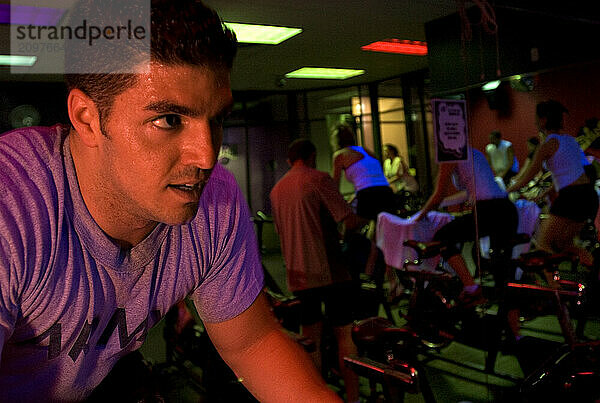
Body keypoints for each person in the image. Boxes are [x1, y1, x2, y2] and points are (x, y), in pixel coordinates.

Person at [0, 1, 340, 402]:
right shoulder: (13, 201)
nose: (207, 157)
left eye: (216, 119)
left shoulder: (215, 201)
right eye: (169, 120)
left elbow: (252, 344)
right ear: (88, 118)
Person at [270, 139, 368, 403]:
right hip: (330, 270)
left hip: (298, 273)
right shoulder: (319, 178)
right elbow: (346, 220)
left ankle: (315, 396)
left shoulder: (277, 190)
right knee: (344, 335)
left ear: (291, 160)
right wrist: (372, 219)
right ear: (312, 156)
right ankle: (353, 397)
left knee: (309, 337)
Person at [415, 148, 519, 306]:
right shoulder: (474, 152)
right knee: (502, 274)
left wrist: (418, 216)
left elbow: (438, 195)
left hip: (489, 210)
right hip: (505, 208)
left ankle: (471, 288)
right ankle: (512, 328)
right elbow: (469, 193)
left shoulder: (450, 152)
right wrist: (440, 204)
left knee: (442, 238)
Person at [507, 100, 599, 267]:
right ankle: (593, 271)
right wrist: (544, 193)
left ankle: (553, 290)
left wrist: (504, 191)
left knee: (543, 245)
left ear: (543, 120)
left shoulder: (548, 144)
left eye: (536, 118)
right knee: (564, 245)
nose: (535, 122)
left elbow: (526, 178)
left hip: (572, 198)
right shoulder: (571, 141)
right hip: (588, 196)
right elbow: (576, 174)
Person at [330, 124, 395, 221]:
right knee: (379, 226)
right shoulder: (365, 150)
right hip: (386, 192)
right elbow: (370, 179)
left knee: (352, 226)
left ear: (336, 141)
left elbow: (335, 186)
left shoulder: (339, 155)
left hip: (368, 195)